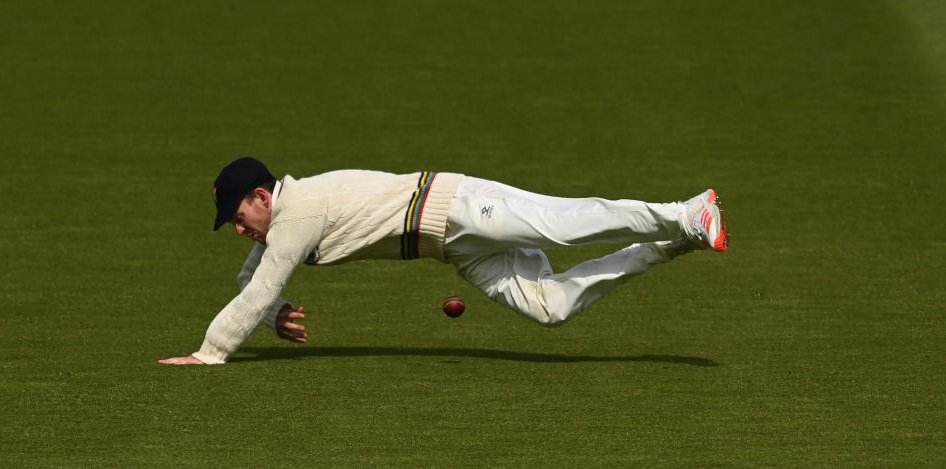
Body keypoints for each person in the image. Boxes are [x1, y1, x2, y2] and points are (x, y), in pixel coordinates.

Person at [160, 157, 728, 365]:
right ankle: (677, 241)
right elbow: (254, 286)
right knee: (550, 308)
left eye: (239, 217)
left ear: (263, 198)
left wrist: (208, 352)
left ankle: (685, 211)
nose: (239, 231)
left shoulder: (296, 213)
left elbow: (256, 290)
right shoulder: (279, 228)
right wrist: (271, 311)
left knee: (564, 223)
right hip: (449, 245)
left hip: (456, 204)